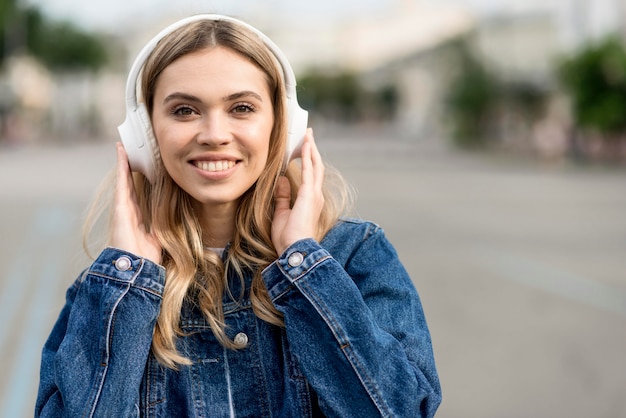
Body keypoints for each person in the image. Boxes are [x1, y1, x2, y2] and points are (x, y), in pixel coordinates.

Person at [35, 14, 441, 417]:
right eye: (184, 110)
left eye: (242, 107)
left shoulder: (353, 258)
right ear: (145, 135)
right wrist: (129, 281)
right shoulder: (109, 292)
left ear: (282, 128)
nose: (214, 133)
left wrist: (302, 264)